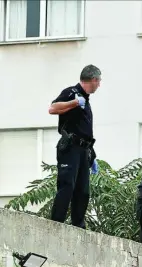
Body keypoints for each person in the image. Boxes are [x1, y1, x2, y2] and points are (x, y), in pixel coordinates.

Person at [48, 64, 101, 229]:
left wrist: (92, 155)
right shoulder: (72, 93)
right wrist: (74, 103)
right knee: (67, 185)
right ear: (93, 79)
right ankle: (56, 223)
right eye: (98, 81)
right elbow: (52, 108)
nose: (99, 85)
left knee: (83, 191)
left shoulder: (87, 100)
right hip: (70, 147)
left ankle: (78, 225)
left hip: (83, 150)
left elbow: (84, 131)